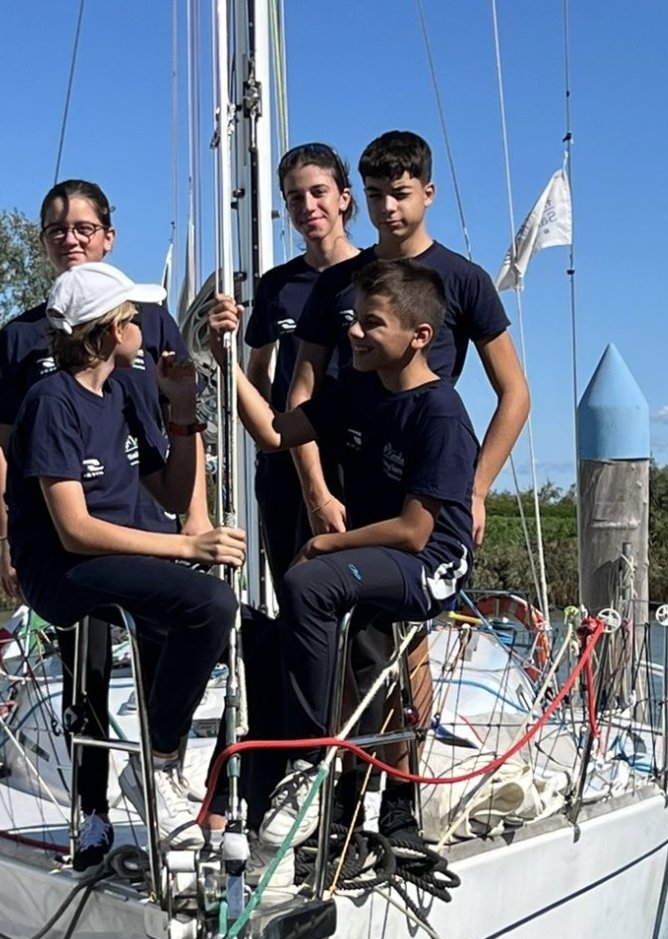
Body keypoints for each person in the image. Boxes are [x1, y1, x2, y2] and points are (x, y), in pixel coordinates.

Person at [209, 258, 478, 866]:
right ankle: (326, 797)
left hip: (434, 561)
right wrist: (226, 366)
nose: (353, 333)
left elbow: (415, 532)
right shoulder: (356, 388)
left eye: (371, 324)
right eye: (354, 320)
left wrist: (327, 541)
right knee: (274, 626)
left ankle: (311, 763)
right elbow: (277, 434)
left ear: (419, 338)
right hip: (378, 552)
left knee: (310, 582)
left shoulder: (440, 413)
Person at [0, 180, 213, 833]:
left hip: (142, 520)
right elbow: (4, 451)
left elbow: (168, 424)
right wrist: (8, 543)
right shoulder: (23, 339)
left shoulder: (150, 324)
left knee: (171, 642)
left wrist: (194, 517)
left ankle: (160, 768)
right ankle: (91, 810)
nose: (69, 238)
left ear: (108, 236)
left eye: (83, 227)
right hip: (67, 536)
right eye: (57, 228)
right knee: (85, 664)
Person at [6, 261, 244, 869]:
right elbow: (75, 530)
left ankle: (225, 799)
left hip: (118, 554)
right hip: (63, 571)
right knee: (208, 602)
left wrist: (184, 410)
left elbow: (169, 491)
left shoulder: (121, 392)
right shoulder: (50, 401)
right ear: (109, 332)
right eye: (132, 317)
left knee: (252, 638)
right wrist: (188, 548)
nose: (143, 325)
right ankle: (157, 763)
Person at [290, 130, 529, 547]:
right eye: (375, 194)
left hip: (424, 478)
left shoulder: (466, 280)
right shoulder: (337, 284)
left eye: (400, 193)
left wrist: (476, 489)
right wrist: (317, 492)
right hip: (348, 478)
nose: (387, 208)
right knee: (314, 592)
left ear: (428, 193)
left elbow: (515, 393)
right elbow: (302, 392)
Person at [244, 143, 359, 589]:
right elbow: (258, 368)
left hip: (354, 454)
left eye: (318, 192)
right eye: (295, 197)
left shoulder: (375, 276)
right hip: (290, 459)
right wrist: (268, 435)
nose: (307, 206)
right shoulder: (277, 286)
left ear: (343, 198)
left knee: (365, 595)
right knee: (292, 583)